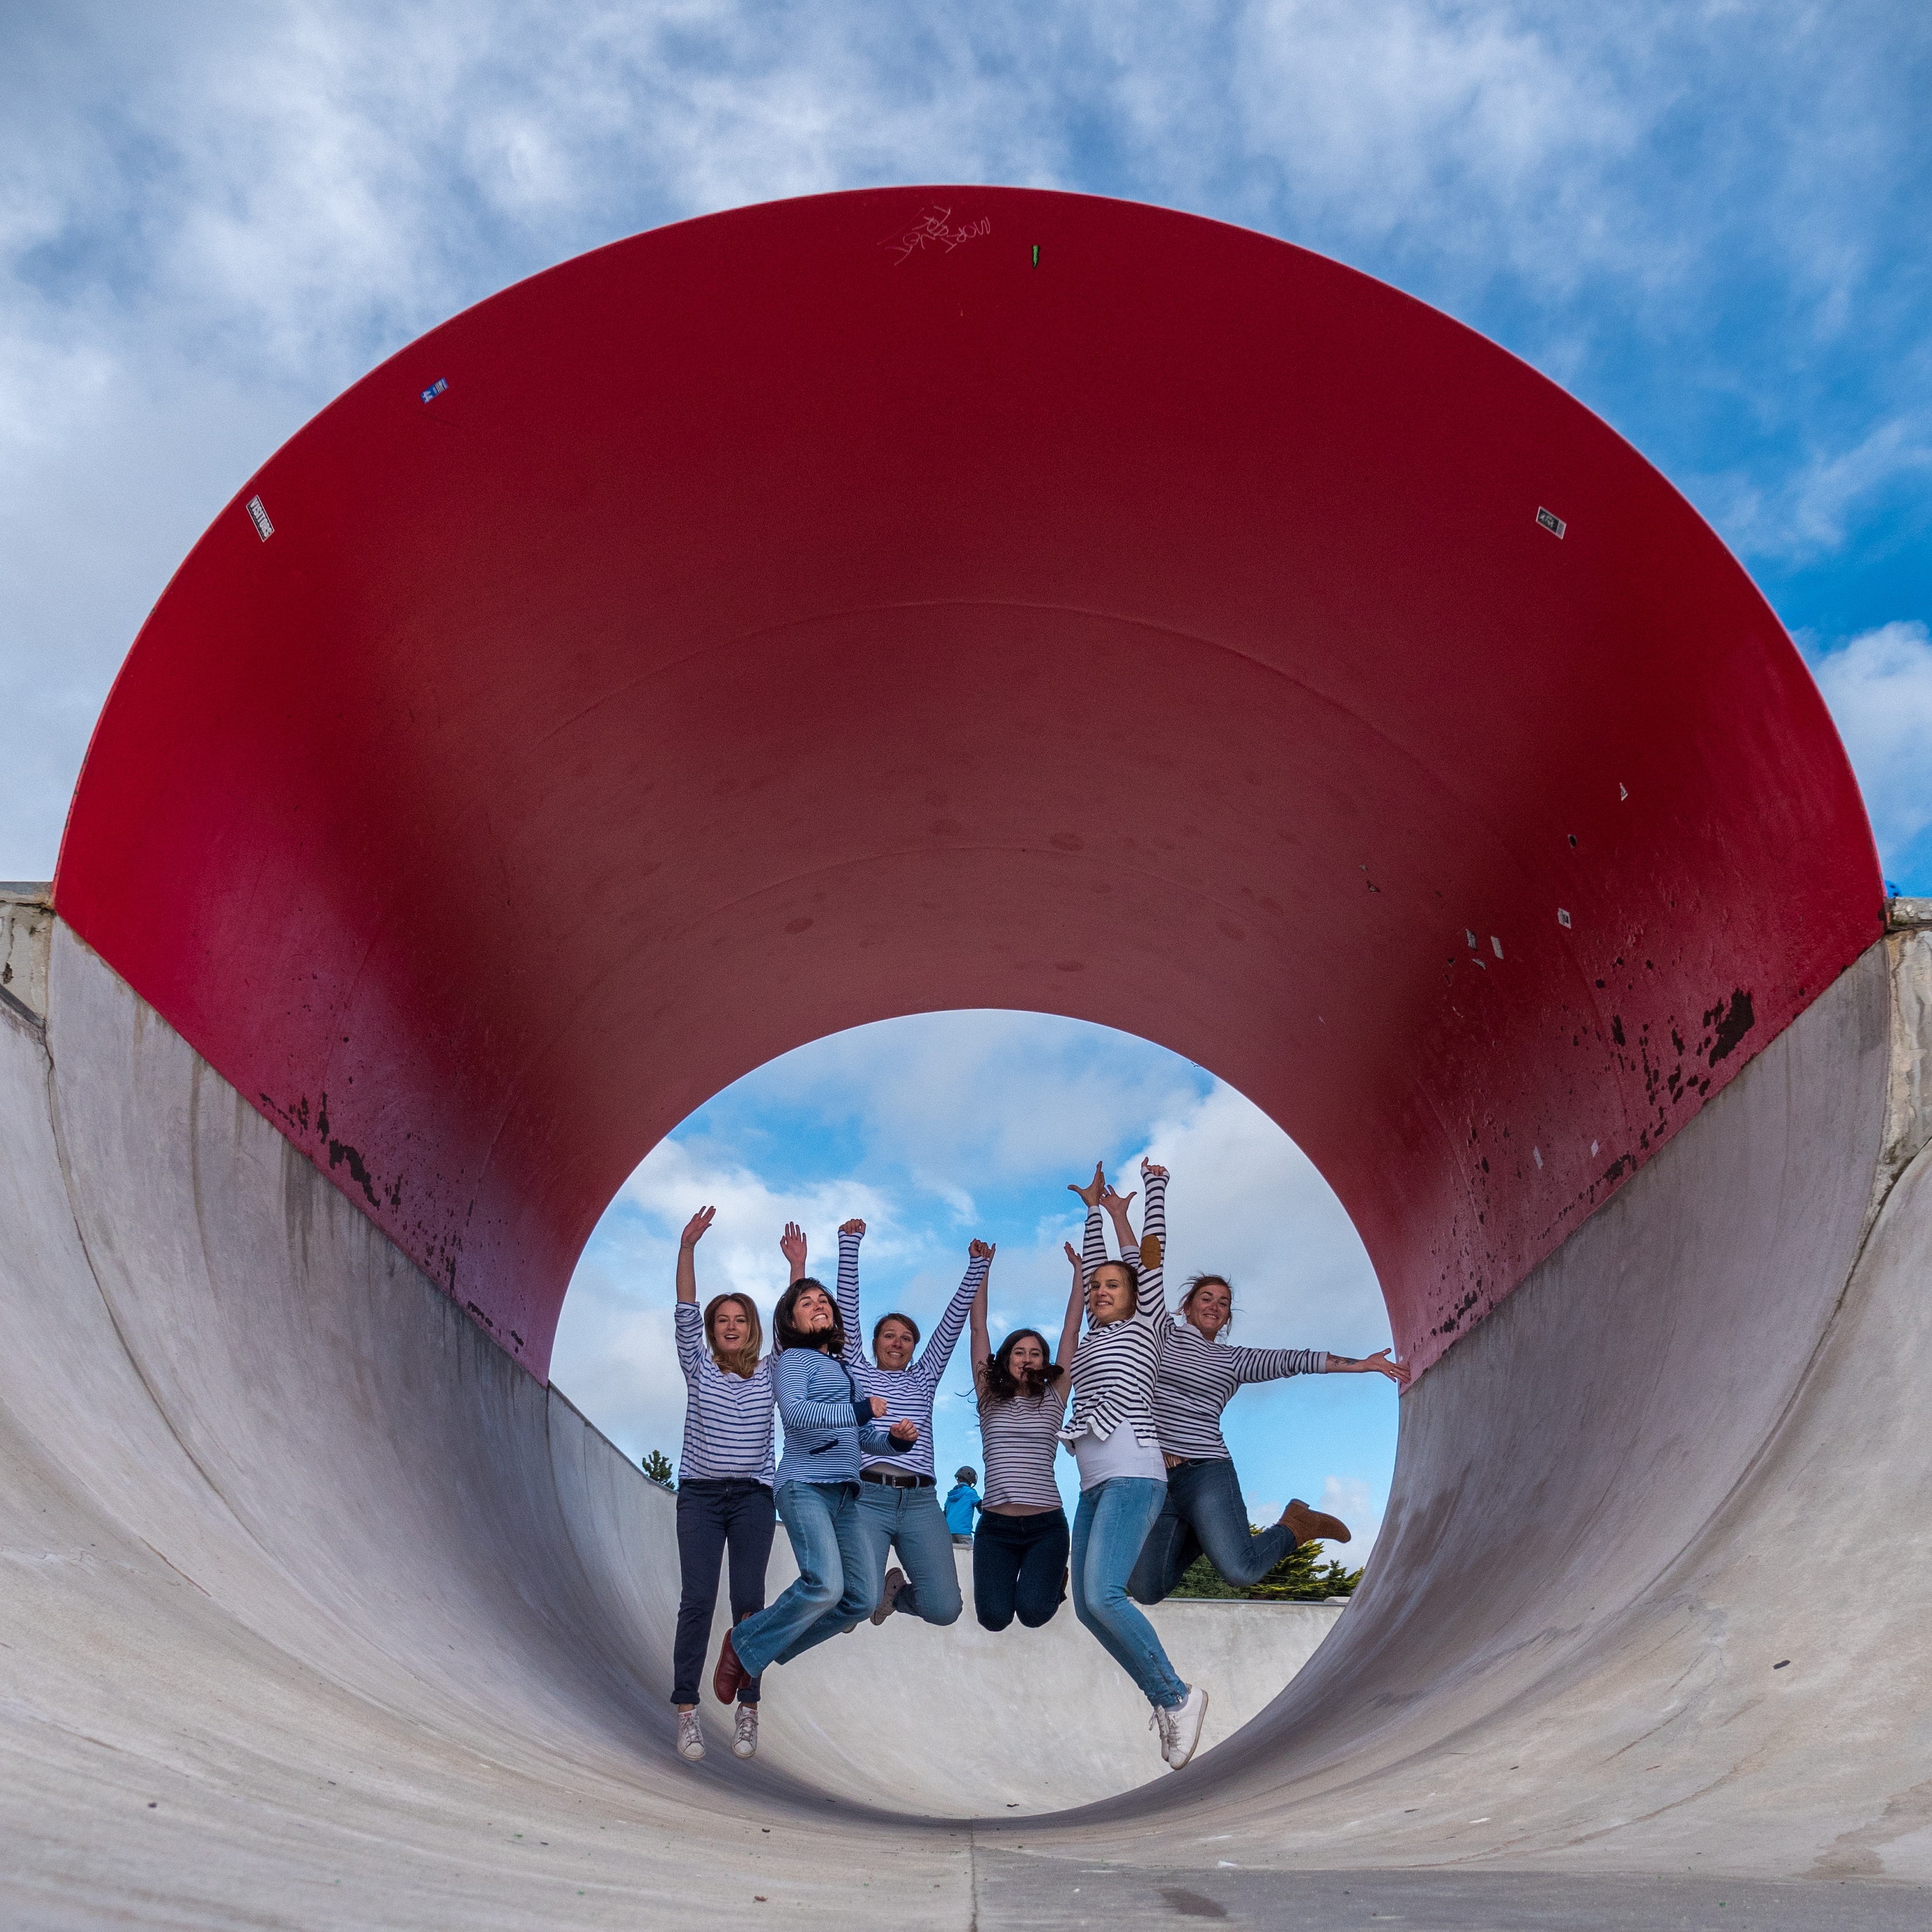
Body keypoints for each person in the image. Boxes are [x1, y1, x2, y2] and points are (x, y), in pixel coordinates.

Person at [1128, 1254, 1407, 1607]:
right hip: (1157, 1479)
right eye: (1206, 1297)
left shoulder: (1233, 1360)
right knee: (1145, 1590)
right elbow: (1143, 1275)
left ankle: (1296, 1525)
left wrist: (1362, 1365)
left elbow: (1293, 1360)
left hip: (1206, 1474)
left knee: (1242, 1572)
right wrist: (1113, 1215)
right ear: (1186, 1305)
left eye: (1224, 1302)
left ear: (1228, 1317)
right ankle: (1203, 1530)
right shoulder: (1159, 1338)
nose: (1215, 1305)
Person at [1059, 1158, 1210, 1770]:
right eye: (1095, 1288)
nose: (1100, 1292)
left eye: (1111, 1288)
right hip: (1094, 1488)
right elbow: (1102, 1266)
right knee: (1089, 1608)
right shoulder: (1094, 1339)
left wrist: (1153, 1191)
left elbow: (1148, 1257)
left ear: (1136, 1297)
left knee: (1105, 1593)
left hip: (1133, 1476)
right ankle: (1168, 1699)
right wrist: (1093, 1209)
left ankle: (1177, 1697)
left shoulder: (1146, 1326)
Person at [709, 1273, 903, 1703]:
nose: (819, 1305)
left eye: (823, 1300)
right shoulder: (794, 1361)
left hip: (845, 1494)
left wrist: (893, 1440)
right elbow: (796, 1414)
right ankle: (745, 1642)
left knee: (860, 1598)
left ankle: (755, 1641)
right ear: (791, 1319)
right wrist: (857, 1409)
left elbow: (855, 1435)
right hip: (804, 1485)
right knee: (824, 1585)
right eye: (807, 1302)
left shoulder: (842, 1368)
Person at [828, 1220, 992, 1629]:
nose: (897, 1342)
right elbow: (845, 1311)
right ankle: (860, 1597)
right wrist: (849, 1245)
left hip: (920, 1502)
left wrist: (976, 1267)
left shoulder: (924, 1376)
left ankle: (895, 1595)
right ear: (873, 1343)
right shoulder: (857, 1372)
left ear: (915, 1348)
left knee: (944, 1609)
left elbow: (952, 1324)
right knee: (855, 1601)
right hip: (867, 1496)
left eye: (906, 1337)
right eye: (888, 1335)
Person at [668, 1206, 776, 1765]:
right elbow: (685, 1308)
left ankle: (749, 1707)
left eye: (740, 1320)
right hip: (703, 1498)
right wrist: (688, 1250)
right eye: (722, 1321)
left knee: (748, 1603)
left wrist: (797, 1268)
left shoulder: (772, 1371)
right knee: (699, 1599)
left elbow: (795, 1329)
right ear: (712, 1332)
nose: (731, 1327)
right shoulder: (698, 1365)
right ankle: (687, 1711)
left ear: (752, 1329)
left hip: (755, 1497)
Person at [967, 1243, 1085, 1631]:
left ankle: (1053, 1582)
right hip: (995, 1528)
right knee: (994, 1618)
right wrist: (981, 1268)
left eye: (1036, 1352)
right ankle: (1039, 1584)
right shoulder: (987, 1395)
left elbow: (1071, 1330)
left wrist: (1078, 1273)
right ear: (1006, 1359)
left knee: (1034, 1614)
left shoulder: (1054, 1396)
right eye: (1019, 1351)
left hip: (1045, 1526)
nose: (1028, 1357)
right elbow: (979, 1327)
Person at [943, 1468, 982, 1546]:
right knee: (969, 1556)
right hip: (964, 1533)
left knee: (952, 1556)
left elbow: (944, 1514)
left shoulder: (950, 1496)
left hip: (949, 1533)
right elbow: (981, 1507)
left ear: (958, 1481)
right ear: (971, 1482)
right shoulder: (970, 1492)